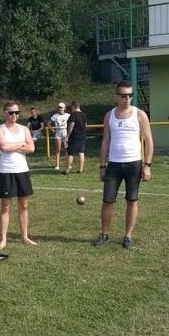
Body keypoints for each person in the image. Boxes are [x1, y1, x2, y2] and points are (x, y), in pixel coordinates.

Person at [93, 81, 154, 250]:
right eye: (123, 95)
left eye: (130, 95)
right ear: (117, 96)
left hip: (134, 164)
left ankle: (128, 236)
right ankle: (104, 234)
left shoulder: (140, 114)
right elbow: (105, 142)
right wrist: (102, 166)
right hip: (113, 165)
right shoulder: (109, 115)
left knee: (131, 200)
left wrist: (147, 165)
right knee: (107, 201)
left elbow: (149, 141)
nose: (127, 98)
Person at [0, 101, 37, 249]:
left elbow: (31, 148)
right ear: (5, 113)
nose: (14, 115)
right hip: (6, 171)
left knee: (24, 205)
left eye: (17, 112)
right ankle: (3, 239)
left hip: (22, 170)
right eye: (11, 112)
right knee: (6, 206)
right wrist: (20, 144)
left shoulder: (24, 129)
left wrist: (14, 146)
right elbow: (4, 147)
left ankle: (24, 236)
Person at [64, 100, 87, 174]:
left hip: (74, 136)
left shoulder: (73, 114)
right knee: (81, 152)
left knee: (70, 153)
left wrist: (68, 135)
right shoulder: (83, 115)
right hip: (82, 136)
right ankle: (80, 169)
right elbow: (85, 125)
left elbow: (71, 125)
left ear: (73, 106)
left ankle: (67, 170)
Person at [50, 102, 69, 170]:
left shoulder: (68, 115)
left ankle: (68, 164)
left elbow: (72, 122)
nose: (60, 109)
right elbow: (49, 123)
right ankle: (57, 165)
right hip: (58, 133)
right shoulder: (55, 116)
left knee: (67, 149)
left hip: (65, 133)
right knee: (58, 149)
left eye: (61, 107)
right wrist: (52, 129)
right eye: (59, 107)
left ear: (64, 108)